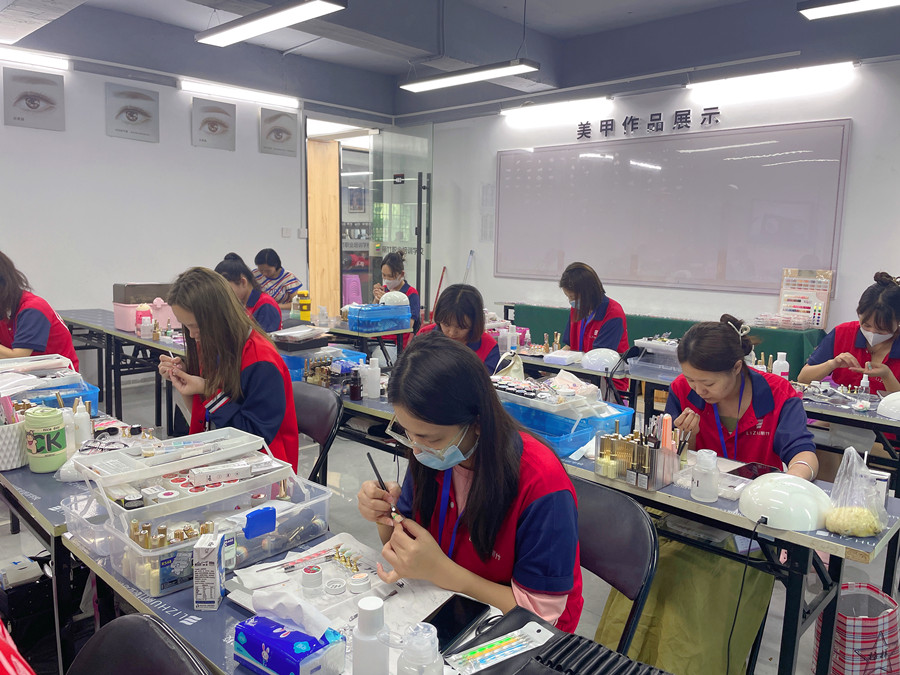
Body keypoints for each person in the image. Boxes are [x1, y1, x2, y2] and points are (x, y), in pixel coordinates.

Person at [595, 315, 817, 674]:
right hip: (686, 511)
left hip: (746, 527)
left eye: (708, 382)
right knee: (644, 570)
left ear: (737, 367)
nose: (698, 390)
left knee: (692, 594)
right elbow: (669, 460)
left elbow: (803, 451)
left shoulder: (777, 395)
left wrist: (790, 482)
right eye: (691, 380)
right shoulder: (683, 389)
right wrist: (685, 439)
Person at [357, 332, 584, 631]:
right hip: (447, 605)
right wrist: (384, 515)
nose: (416, 449)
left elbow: (543, 616)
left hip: (520, 632)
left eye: (429, 438)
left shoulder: (541, 485)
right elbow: (405, 545)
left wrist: (442, 572)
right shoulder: (429, 453)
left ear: (477, 422)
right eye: (407, 433)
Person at [157, 267, 298, 468]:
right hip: (220, 455)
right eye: (185, 325)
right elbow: (202, 417)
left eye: (195, 325)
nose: (192, 334)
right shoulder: (210, 344)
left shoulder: (260, 360)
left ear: (219, 316)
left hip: (263, 466)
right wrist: (185, 379)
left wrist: (207, 389)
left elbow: (254, 438)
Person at [799, 271, 900, 394]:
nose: (872, 332)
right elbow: (803, 378)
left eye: (882, 329)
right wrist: (832, 364)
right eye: (866, 325)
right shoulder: (843, 333)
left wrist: (887, 376)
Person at [0, 250, 79, 370]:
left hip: (55, 377)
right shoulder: (4, 307)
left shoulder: (33, 309)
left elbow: (18, 358)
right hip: (23, 373)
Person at [559, 262, 628, 391]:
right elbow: (569, 346)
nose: (571, 302)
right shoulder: (577, 309)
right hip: (579, 376)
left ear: (588, 293)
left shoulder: (613, 313)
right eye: (568, 297)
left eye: (573, 297)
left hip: (606, 381)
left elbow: (599, 360)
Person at [416, 284, 500, 372]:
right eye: (446, 324)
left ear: (474, 323)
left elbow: (488, 380)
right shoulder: (424, 336)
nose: (452, 333)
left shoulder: (488, 346)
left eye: (461, 327)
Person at [215, 253, 282, 333]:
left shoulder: (265, 305)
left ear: (243, 282)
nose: (225, 295)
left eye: (227, 290)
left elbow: (265, 338)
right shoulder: (241, 304)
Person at [373, 251, 420, 341]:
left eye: (390, 276)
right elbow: (373, 318)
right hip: (376, 337)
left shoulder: (411, 293)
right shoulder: (384, 289)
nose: (386, 279)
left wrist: (388, 301)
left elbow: (408, 325)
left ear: (401, 274)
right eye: (384, 275)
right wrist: (376, 300)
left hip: (396, 341)